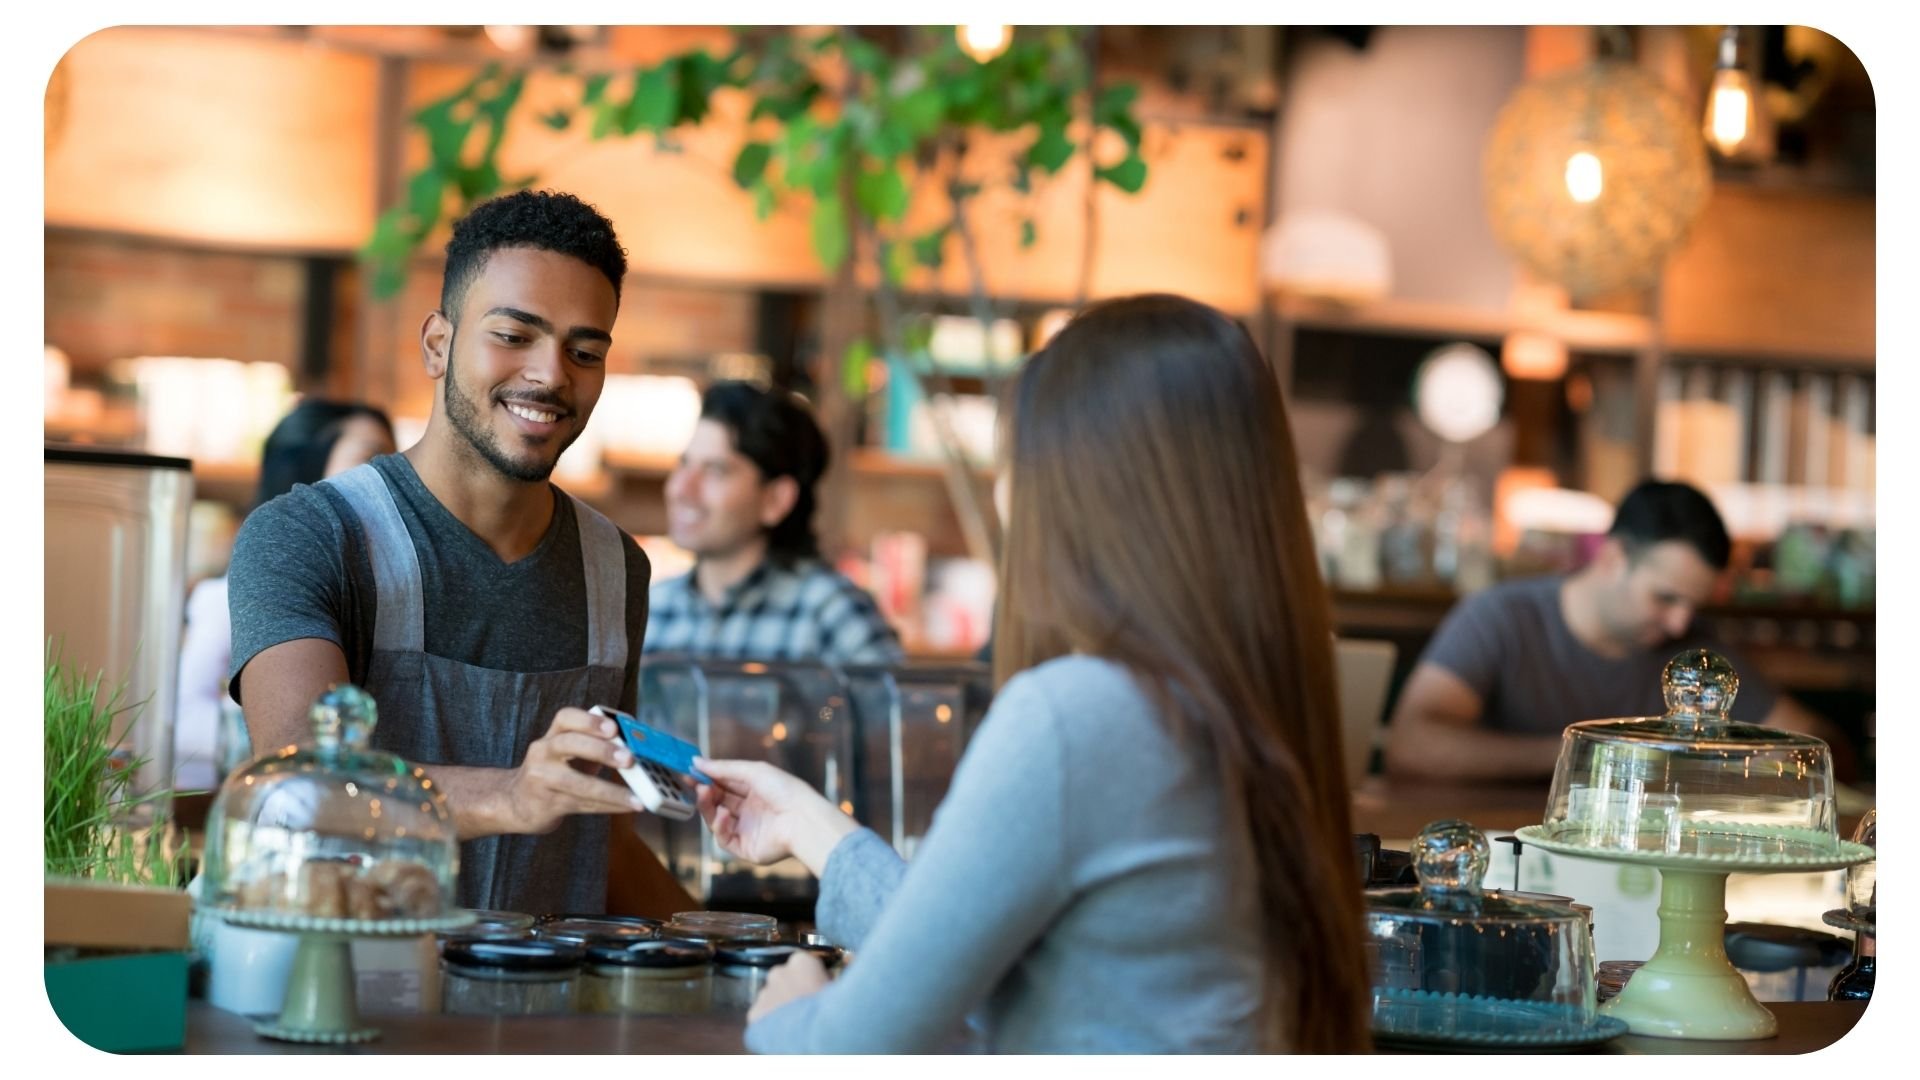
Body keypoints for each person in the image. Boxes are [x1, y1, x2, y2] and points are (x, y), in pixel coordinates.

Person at [691, 294, 1371, 1053]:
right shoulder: (1247, 694)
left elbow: (853, 1044)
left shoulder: (1079, 712)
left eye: (1013, 465)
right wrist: (811, 828)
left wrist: (788, 1012)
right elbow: (995, 953)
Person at [226, 190, 654, 914]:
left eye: (584, 352)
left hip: (543, 1016)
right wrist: (515, 795)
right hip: (344, 1000)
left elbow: (598, 836)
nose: (552, 375)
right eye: (515, 335)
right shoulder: (307, 536)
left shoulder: (617, 569)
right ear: (437, 344)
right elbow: (296, 786)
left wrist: (748, 949)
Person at [1383, 479, 1841, 783]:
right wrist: (1592, 752)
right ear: (1612, 557)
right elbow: (1411, 745)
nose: (1680, 622)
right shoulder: (1501, 617)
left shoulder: (1694, 655)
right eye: (1665, 598)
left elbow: (1819, 746)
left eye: (1692, 605)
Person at [174, 400, 396, 792]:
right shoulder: (231, 594)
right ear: (308, 468)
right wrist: (274, 730)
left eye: (394, 459)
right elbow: (184, 719)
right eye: (371, 457)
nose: (389, 477)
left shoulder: (386, 589)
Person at [643, 380, 904, 666]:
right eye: (684, 464)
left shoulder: (832, 614)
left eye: (715, 471)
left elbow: (898, 710)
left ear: (776, 500)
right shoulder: (651, 609)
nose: (681, 489)